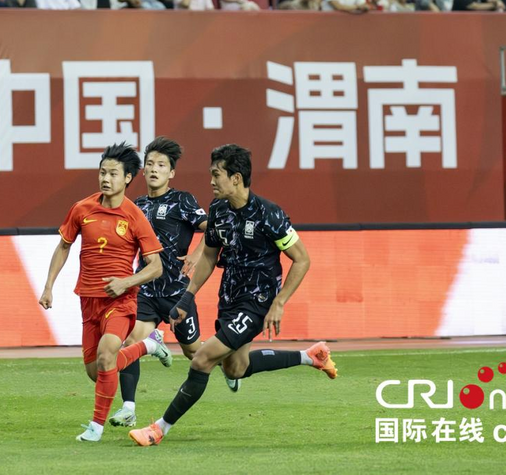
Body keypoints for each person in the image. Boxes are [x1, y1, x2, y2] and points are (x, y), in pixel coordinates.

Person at [129, 144, 335, 447]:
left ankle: (159, 429)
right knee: (235, 367)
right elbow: (210, 256)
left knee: (201, 360)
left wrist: (278, 303)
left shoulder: (269, 214)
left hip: (258, 302)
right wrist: (187, 298)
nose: (211, 181)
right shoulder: (219, 210)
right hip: (230, 299)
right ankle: (311, 356)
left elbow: (302, 259)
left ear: (236, 178)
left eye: (217, 175)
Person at [38, 142, 172, 443]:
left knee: (107, 354)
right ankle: (148, 346)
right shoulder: (82, 208)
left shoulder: (135, 216)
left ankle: (95, 428)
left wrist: (126, 282)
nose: (105, 178)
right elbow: (64, 246)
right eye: (102, 172)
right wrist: (48, 286)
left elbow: (156, 267)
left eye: (113, 173)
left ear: (127, 178)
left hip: (121, 301)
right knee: (96, 371)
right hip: (89, 300)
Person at [106, 137, 216, 428]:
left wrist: (195, 253)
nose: (155, 169)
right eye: (151, 164)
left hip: (178, 294)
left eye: (162, 165)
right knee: (130, 341)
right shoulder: (136, 205)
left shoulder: (183, 201)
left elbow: (212, 229)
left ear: (172, 173)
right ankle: (128, 407)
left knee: (195, 353)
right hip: (146, 292)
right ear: (143, 171)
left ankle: (228, 364)